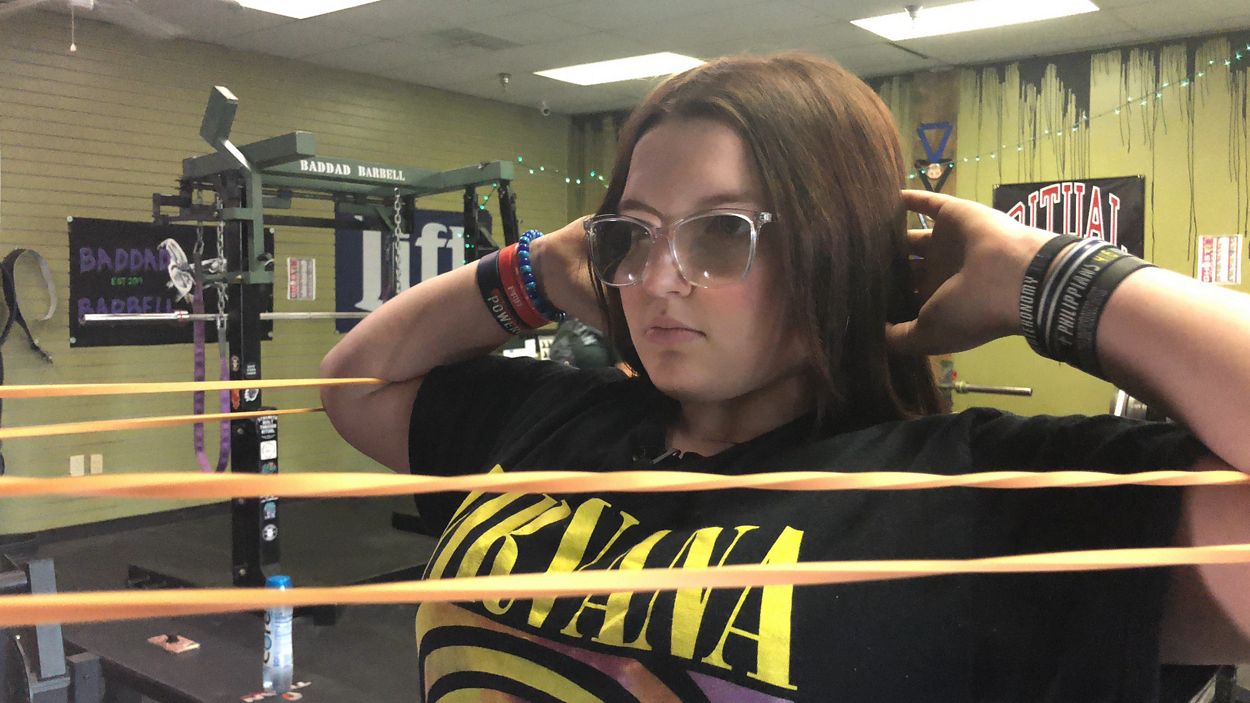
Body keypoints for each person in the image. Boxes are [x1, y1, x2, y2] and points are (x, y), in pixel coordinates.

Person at [319, 53, 1250, 702]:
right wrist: (538, 269)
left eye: (722, 231)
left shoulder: (974, 502)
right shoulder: (559, 421)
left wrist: (1050, 280)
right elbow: (357, 382)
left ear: (835, 253)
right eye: (633, 233)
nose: (657, 278)